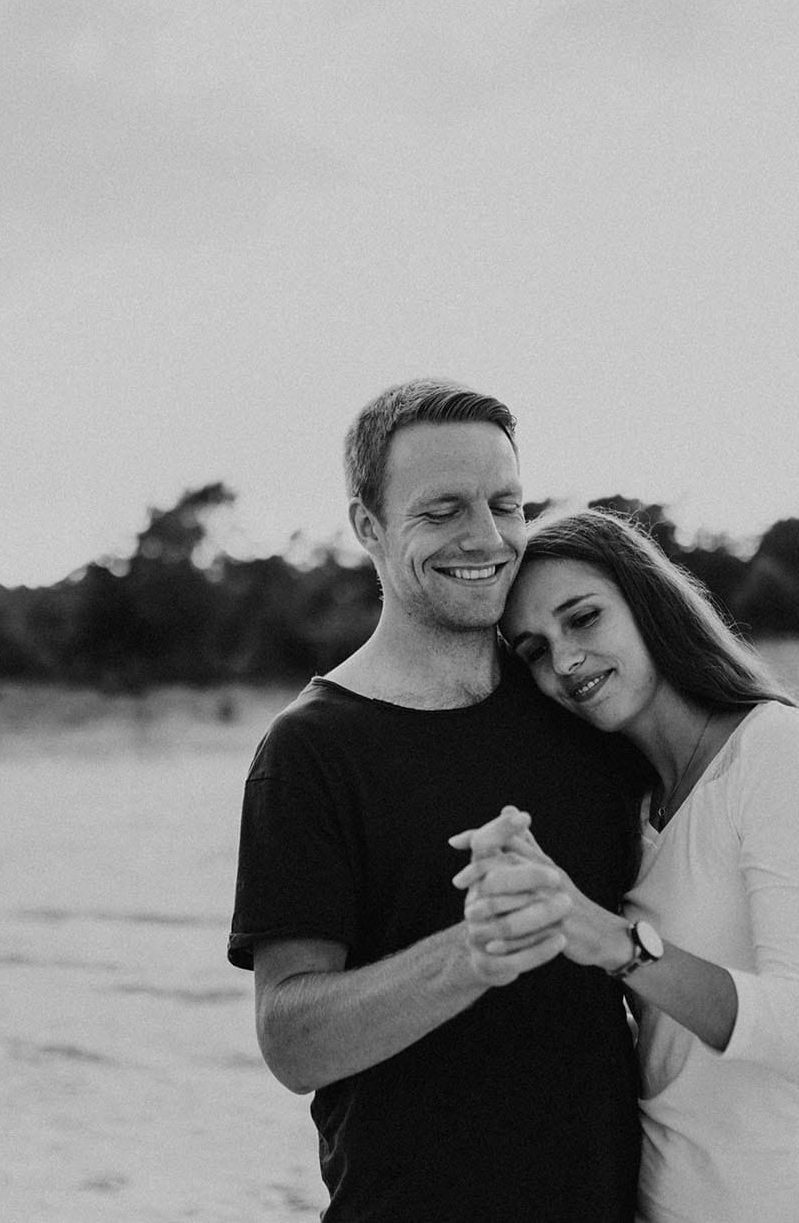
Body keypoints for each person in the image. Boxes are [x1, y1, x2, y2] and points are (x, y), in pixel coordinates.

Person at [228, 381, 644, 1220]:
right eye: (443, 510)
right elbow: (291, 1040)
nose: (486, 537)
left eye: (505, 504)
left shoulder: (580, 701)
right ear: (369, 526)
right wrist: (472, 954)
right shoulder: (310, 752)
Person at [452, 508, 799, 1223]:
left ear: (648, 600)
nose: (565, 661)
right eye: (535, 651)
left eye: (584, 618)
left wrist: (611, 941)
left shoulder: (774, 747)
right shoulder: (627, 804)